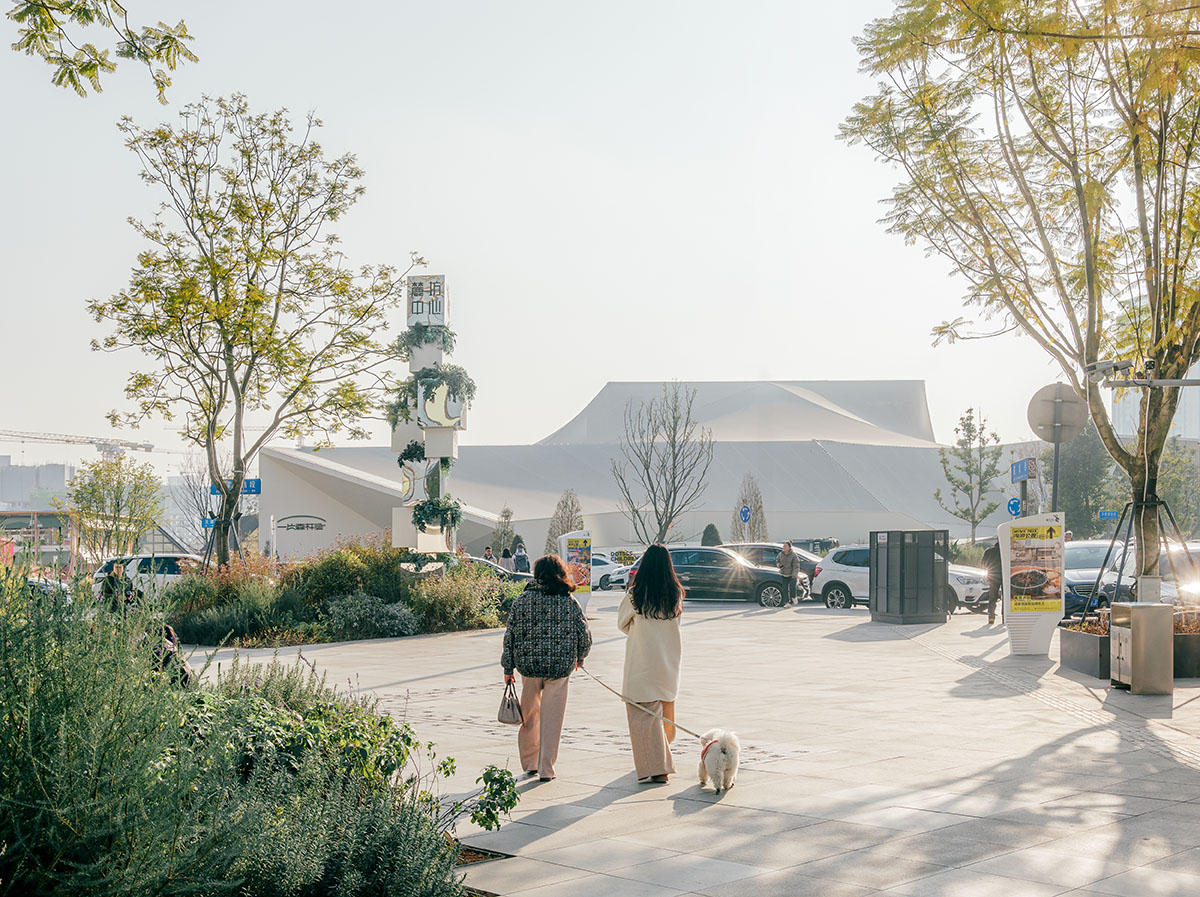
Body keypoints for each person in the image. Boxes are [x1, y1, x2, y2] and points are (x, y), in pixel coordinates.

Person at [501, 554, 592, 781]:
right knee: (552, 720)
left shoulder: (522, 600)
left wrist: (508, 668)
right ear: (560, 573)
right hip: (559, 668)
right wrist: (580, 657)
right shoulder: (569, 601)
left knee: (530, 716)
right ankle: (546, 769)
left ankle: (530, 763)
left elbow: (510, 636)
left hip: (529, 667)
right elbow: (584, 635)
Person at [618, 544, 684, 784]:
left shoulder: (635, 595)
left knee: (641, 716)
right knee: (665, 716)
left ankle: (657, 767)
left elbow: (622, 624)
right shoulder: (675, 594)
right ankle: (660, 758)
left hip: (642, 662)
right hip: (668, 662)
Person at [981, 541, 1002, 625]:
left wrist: (990, 568)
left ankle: (991, 616)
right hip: (1004, 576)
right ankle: (1005, 615)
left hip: (993, 576)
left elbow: (983, 563)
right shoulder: (1004, 551)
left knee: (992, 597)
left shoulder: (988, 551)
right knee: (1006, 597)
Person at [776, 541, 801, 605]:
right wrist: (779, 565)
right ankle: (787, 603)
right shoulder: (781, 554)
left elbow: (796, 566)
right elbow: (777, 561)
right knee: (785, 589)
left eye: (785, 546)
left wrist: (794, 575)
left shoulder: (793, 555)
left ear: (789, 547)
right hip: (784, 574)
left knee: (792, 588)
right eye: (783, 546)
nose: (784, 547)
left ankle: (794, 597)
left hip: (792, 574)